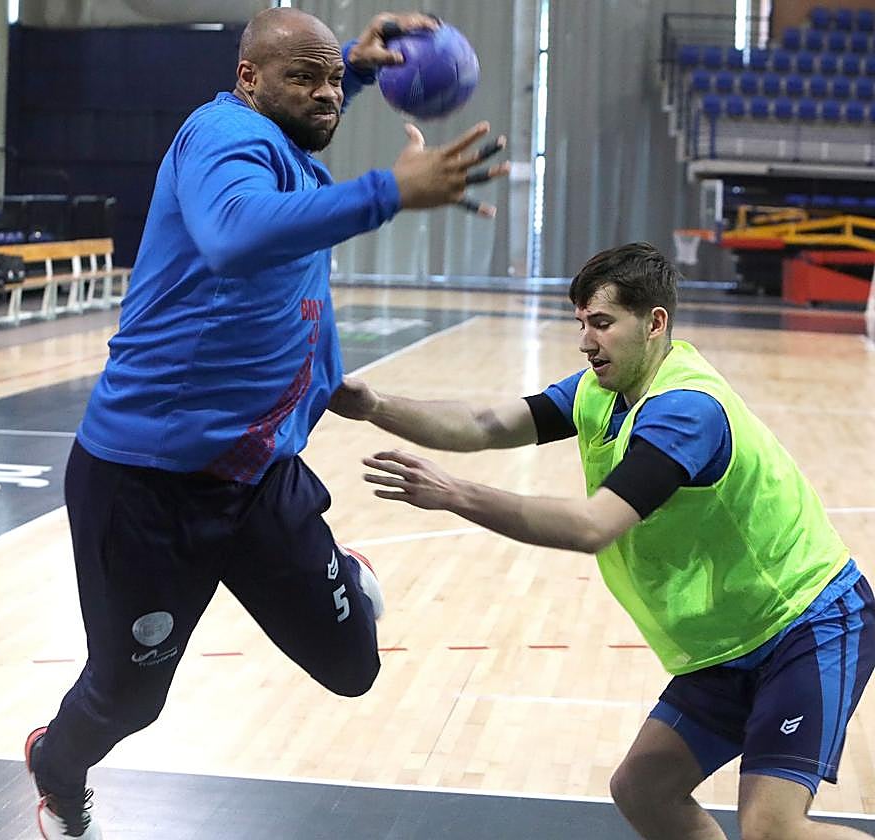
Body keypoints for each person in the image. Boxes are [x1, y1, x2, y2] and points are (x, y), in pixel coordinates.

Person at [23, 7, 508, 838]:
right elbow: (233, 237)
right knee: (129, 699)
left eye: (333, 83)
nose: (326, 96)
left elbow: (293, 244)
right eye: (305, 78)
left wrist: (348, 68)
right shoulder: (222, 138)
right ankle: (55, 769)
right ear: (247, 79)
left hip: (260, 481)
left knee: (354, 669)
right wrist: (391, 192)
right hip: (145, 488)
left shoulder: (281, 139)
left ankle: (333, 565)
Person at [338, 242, 875, 840]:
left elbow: (593, 526)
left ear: (654, 323)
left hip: (806, 623)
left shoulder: (686, 410)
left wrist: (455, 494)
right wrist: (374, 406)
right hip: (730, 641)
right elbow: (486, 425)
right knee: (643, 790)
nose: (585, 341)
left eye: (601, 323)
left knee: (772, 829)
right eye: (580, 323)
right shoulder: (601, 390)